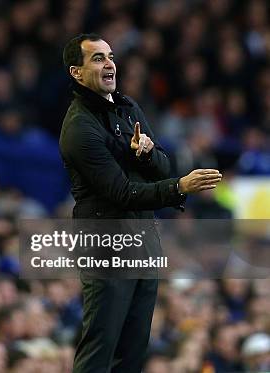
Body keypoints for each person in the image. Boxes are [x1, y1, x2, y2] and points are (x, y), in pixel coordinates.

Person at [59, 33, 222, 372]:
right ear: (76, 72)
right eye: (98, 58)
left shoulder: (128, 107)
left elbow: (163, 164)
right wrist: (180, 186)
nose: (109, 64)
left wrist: (147, 155)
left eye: (110, 56)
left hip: (143, 238)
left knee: (133, 348)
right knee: (101, 343)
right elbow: (122, 193)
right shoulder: (79, 129)